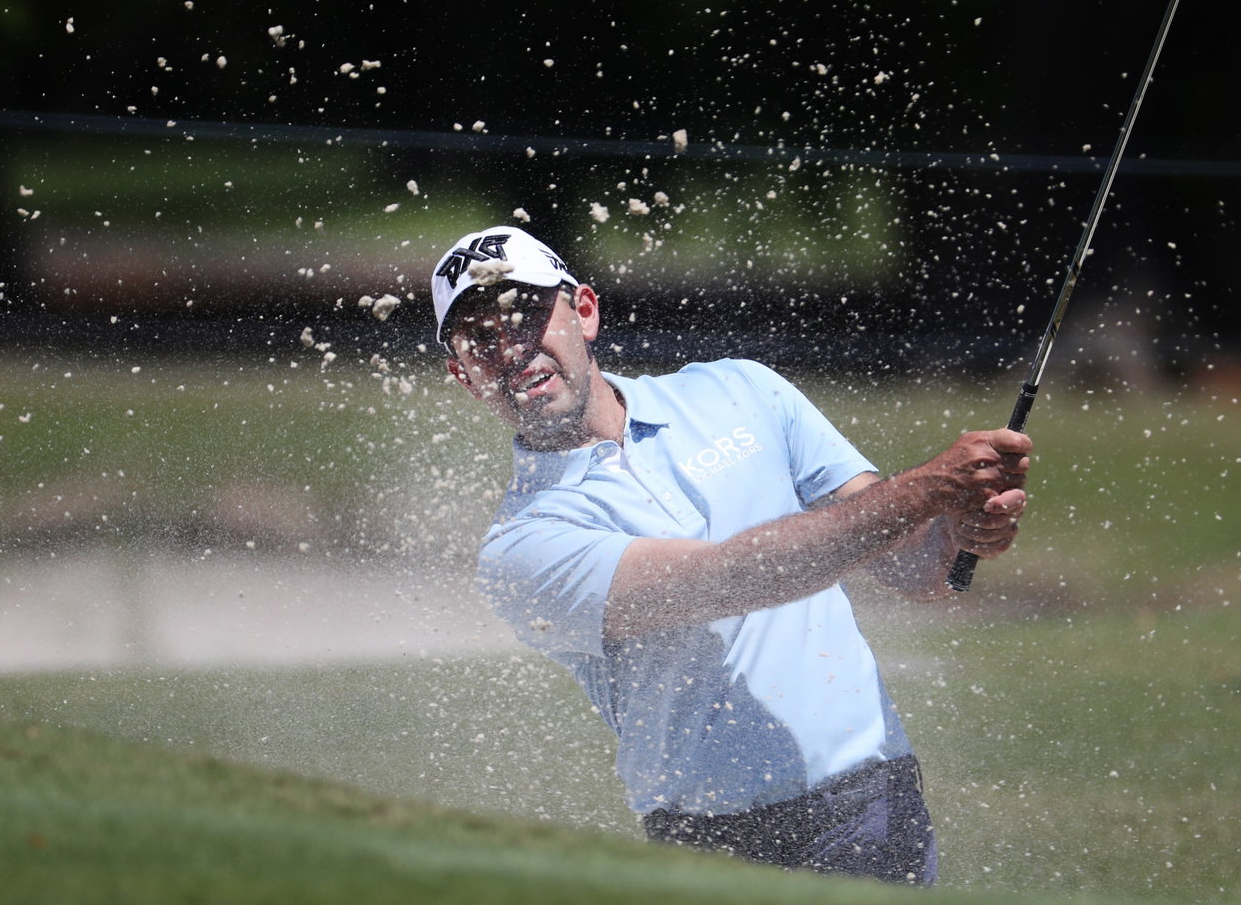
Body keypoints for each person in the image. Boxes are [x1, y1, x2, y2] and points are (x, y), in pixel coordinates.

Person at [431, 225, 1031, 885]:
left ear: (584, 310)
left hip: (865, 804)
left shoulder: (743, 392)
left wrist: (956, 536)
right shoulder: (521, 547)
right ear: (465, 377)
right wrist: (922, 491)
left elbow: (912, 568)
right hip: (704, 846)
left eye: (525, 316)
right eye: (482, 340)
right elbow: (732, 578)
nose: (512, 349)